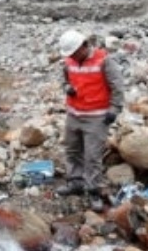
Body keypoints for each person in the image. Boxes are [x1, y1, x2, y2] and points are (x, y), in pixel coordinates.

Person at [55, 29, 124, 212]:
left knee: (92, 157)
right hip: (74, 114)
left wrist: (115, 109)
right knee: (72, 149)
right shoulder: (69, 60)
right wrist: (67, 87)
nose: (72, 57)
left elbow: (117, 86)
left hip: (96, 117)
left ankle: (94, 190)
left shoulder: (104, 60)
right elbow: (63, 79)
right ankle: (75, 182)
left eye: (74, 53)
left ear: (84, 46)